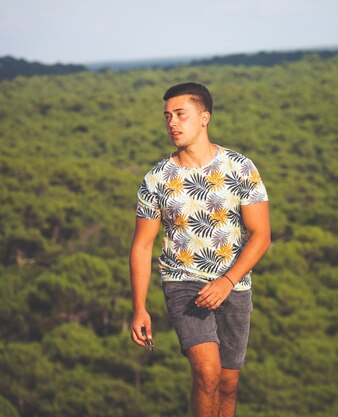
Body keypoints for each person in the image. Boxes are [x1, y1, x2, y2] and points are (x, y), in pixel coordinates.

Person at [129, 82, 271, 417]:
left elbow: (261, 235)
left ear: (204, 117)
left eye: (180, 114)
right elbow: (141, 245)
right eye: (167, 116)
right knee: (206, 373)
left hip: (234, 284)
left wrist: (227, 282)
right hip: (183, 284)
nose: (172, 123)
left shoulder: (240, 167)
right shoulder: (156, 179)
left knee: (227, 384)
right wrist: (139, 308)